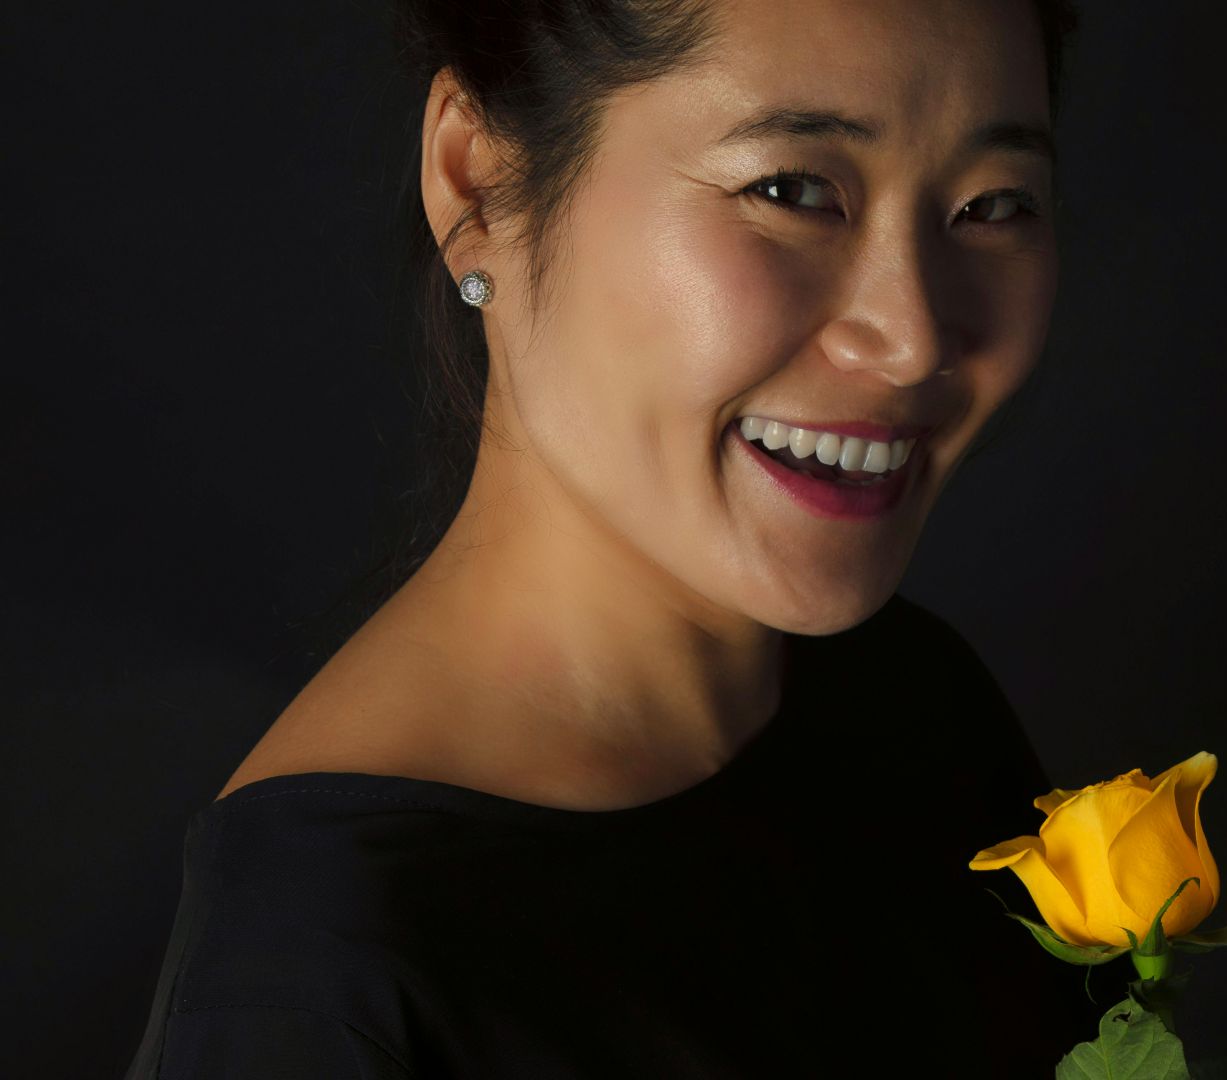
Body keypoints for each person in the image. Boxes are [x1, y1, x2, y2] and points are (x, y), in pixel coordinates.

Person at [121, 0, 1095, 1075]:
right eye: (790, 191)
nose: (912, 339)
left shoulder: (919, 709)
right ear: (477, 181)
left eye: (994, 206)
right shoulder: (320, 995)